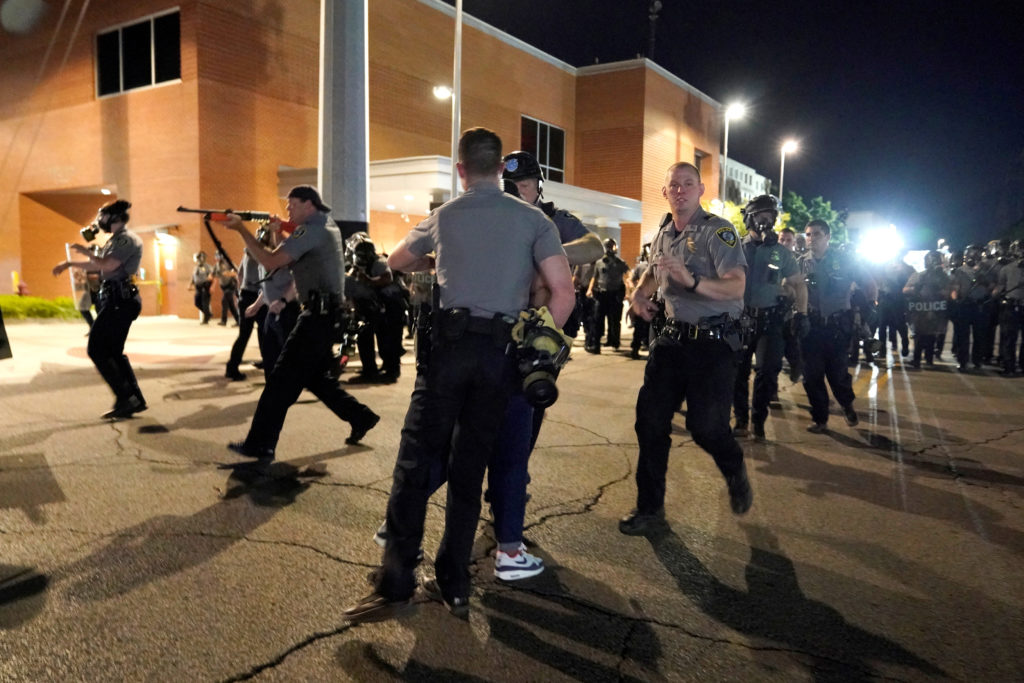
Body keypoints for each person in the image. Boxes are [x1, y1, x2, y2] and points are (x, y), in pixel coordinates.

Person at [342, 127, 574, 623]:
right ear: (498, 169)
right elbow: (563, 292)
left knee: (416, 461)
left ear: (462, 169)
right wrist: (539, 344)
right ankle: (455, 581)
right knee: (470, 469)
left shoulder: (444, 216)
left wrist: (440, 259)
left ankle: (397, 579)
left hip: (448, 352)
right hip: (502, 358)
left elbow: (397, 262)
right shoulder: (534, 220)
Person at [619, 161, 751, 537]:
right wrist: (638, 297)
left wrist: (690, 280)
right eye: (673, 185)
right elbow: (651, 273)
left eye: (687, 184)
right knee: (650, 423)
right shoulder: (663, 232)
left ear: (701, 190)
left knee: (705, 427)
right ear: (665, 192)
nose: (680, 190)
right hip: (671, 342)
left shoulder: (718, 232)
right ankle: (650, 510)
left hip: (713, 346)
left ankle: (734, 468)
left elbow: (735, 287)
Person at [217, 185, 380, 460]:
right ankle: (361, 417)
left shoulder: (311, 230)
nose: (288, 209)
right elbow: (294, 254)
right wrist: (278, 231)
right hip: (324, 315)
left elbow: (271, 261)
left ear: (309, 204)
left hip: (317, 316)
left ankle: (260, 444)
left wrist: (242, 231)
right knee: (315, 378)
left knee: (280, 379)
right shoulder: (324, 226)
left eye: (292, 204)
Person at [52, 199, 147, 419]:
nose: (99, 221)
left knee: (96, 349)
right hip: (116, 299)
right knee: (112, 352)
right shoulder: (115, 240)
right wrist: (69, 264)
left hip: (120, 300)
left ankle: (127, 397)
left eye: (102, 216)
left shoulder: (126, 240)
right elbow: (99, 265)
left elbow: (107, 265)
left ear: (115, 218)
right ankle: (132, 399)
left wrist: (85, 252)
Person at [732, 195, 807, 441]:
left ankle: (758, 421)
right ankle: (741, 420)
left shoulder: (782, 253)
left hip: (770, 321)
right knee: (738, 372)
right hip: (739, 320)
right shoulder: (735, 248)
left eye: (771, 217)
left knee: (767, 370)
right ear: (750, 219)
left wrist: (801, 314)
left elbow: (799, 284)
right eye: (761, 216)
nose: (767, 221)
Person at [799, 220, 877, 433]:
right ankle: (820, 418)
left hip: (837, 327)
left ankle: (846, 404)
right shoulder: (801, 263)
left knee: (837, 374)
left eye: (816, 234)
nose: (811, 239)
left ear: (827, 237)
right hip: (811, 327)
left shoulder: (844, 261)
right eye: (807, 234)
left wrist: (871, 306)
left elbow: (870, 284)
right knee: (812, 375)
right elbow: (790, 289)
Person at [346, 239, 405, 384]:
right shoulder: (358, 268)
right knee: (368, 338)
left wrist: (368, 280)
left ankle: (391, 371)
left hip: (390, 307)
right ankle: (372, 369)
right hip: (375, 308)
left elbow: (387, 278)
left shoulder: (379, 263)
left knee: (388, 340)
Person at [225, 242, 267, 381]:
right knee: (264, 331)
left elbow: (240, 274)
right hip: (258, 296)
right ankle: (267, 361)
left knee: (245, 334)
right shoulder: (263, 253)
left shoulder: (247, 253)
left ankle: (232, 366)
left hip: (245, 294)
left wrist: (240, 291)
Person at [903, 250, 951, 369]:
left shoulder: (943, 277)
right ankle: (917, 359)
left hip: (935, 309)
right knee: (919, 335)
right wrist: (915, 288)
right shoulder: (919, 275)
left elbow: (948, 292)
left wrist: (940, 291)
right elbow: (905, 290)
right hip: (920, 309)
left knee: (931, 336)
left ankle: (929, 359)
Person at [949, 244, 993, 372]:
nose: (974, 256)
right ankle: (963, 361)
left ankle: (977, 361)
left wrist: (984, 281)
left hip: (980, 305)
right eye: (972, 253)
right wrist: (955, 299)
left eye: (977, 253)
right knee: (963, 335)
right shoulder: (960, 271)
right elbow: (955, 287)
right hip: (965, 305)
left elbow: (992, 287)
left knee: (979, 335)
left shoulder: (987, 270)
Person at [586, 238, 631, 352]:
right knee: (598, 320)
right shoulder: (599, 262)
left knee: (615, 320)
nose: (613, 249)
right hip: (602, 295)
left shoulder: (620, 262)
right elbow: (594, 277)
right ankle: (596, 345)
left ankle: (614, 341)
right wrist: (590, 289)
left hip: (615, 295)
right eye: (611, 246)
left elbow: (628, 275)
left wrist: (630, 290)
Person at [994, 244, 1024, 375]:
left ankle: (1018, 366)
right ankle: (1009, 366)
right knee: (1009, 338)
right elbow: (1000, 288)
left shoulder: (1006, 268)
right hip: (1011, 306)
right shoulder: (1006, 269)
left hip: (1017, 306)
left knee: (1013, 339)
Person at [627, 244, 651, 359]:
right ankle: (636, 348)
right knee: (640, 326)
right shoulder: (642, 267)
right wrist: (634, 292)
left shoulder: (658, 265)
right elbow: (631, 280)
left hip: (652, 300)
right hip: (645, 299)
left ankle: (644, 345)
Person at [214, 252, 240, 326]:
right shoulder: (217, 265)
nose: (216, 257)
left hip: (231, 285)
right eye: (216, 256)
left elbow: (237, 272)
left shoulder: (229, 263)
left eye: (218, 255)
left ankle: (223, 320)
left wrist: (229, 273)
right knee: (231, 305)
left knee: (224, 301)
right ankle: (238, 320)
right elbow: (214, 274)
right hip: (224, 287)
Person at [188, 251, 214, 324]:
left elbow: (213, 277)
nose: (201, 259)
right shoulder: (196, 267)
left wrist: (211, 286)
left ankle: (205, 320)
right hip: (198, 287)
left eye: (202, 258)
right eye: (199, 258)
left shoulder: (208, 267)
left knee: (205, 303)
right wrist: (190, 284)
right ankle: (208, 314)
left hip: (205, 286)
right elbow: (194, 277)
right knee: (197, 302)